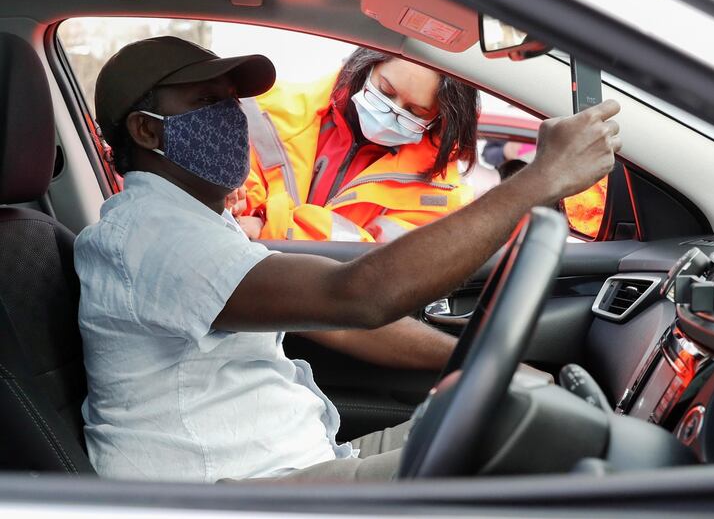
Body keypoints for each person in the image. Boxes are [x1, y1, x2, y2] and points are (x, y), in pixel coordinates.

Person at [77, 36, 621, 483]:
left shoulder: (193, 220)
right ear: (147, 129)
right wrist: (539, 179)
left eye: (228, 101)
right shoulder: (154, 236)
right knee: (541, 446)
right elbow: (356, 296)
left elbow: (338, 325)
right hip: (232, 492)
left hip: (292, 464)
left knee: (524, 421)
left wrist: (469, 359)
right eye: (204, 104)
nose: (230, 118)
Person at [234, 48, 478, 242]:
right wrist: (242, 205)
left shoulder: (440, 196)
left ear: (438, 120)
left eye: (414, 111)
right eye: (385, 90)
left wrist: (271, 225)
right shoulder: (268, 112)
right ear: (365, 66)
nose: (391, 112)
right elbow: (239, 186)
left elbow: (383, 262)